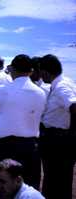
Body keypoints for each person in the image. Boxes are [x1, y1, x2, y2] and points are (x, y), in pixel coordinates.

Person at [0, 54, 46, 189]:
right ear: (31, 71)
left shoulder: (2, 90)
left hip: (3, 147)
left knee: (2, 189)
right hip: (29, 147)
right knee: (28, 188)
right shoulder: (41, 93)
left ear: (12, 69)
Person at [39, 54, 76, 199]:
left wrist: (71, 134)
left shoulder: (61, 87)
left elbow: (74, 106)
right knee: (60, 180)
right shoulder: (65, 82)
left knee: (55, 180)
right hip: (58, 139)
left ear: (46, 72)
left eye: (42, 72)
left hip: (58, 140)